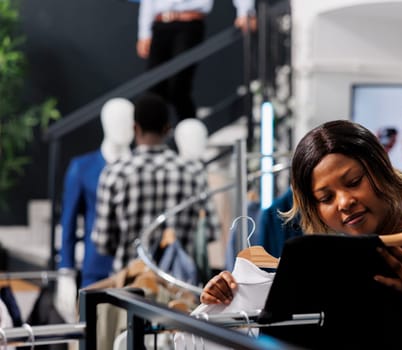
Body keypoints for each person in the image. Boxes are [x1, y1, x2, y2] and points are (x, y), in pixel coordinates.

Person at [201, 120, 402, 349]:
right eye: (325, 198)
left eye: (353, 181)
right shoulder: (327, 265)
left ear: (382, 170)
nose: (344, 202)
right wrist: (231, 298)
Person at [92, 93, 220, 273]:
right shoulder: (194, 172)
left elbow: (103, 242)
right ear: (168, 129)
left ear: (135, 128)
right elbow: (211, 232)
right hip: (179, 286)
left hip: (131, 284)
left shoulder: (115, 173)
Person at [54, 98, 134, 323]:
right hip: (96, 267)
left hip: (134, 270)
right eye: (117, 120)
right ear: (104, 122)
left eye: (128, 120)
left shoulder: (142, 166)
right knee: (93, 334)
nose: (123, 126)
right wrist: (65, 271)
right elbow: (68, 222)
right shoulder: (82, 167)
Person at [136, 0, 257, 122]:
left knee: (178, 88)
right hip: (160, 25)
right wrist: (144, 33)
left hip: (189, 23)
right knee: (154, 91)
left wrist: (245, 12)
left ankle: (190, 136)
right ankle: (152, 139)